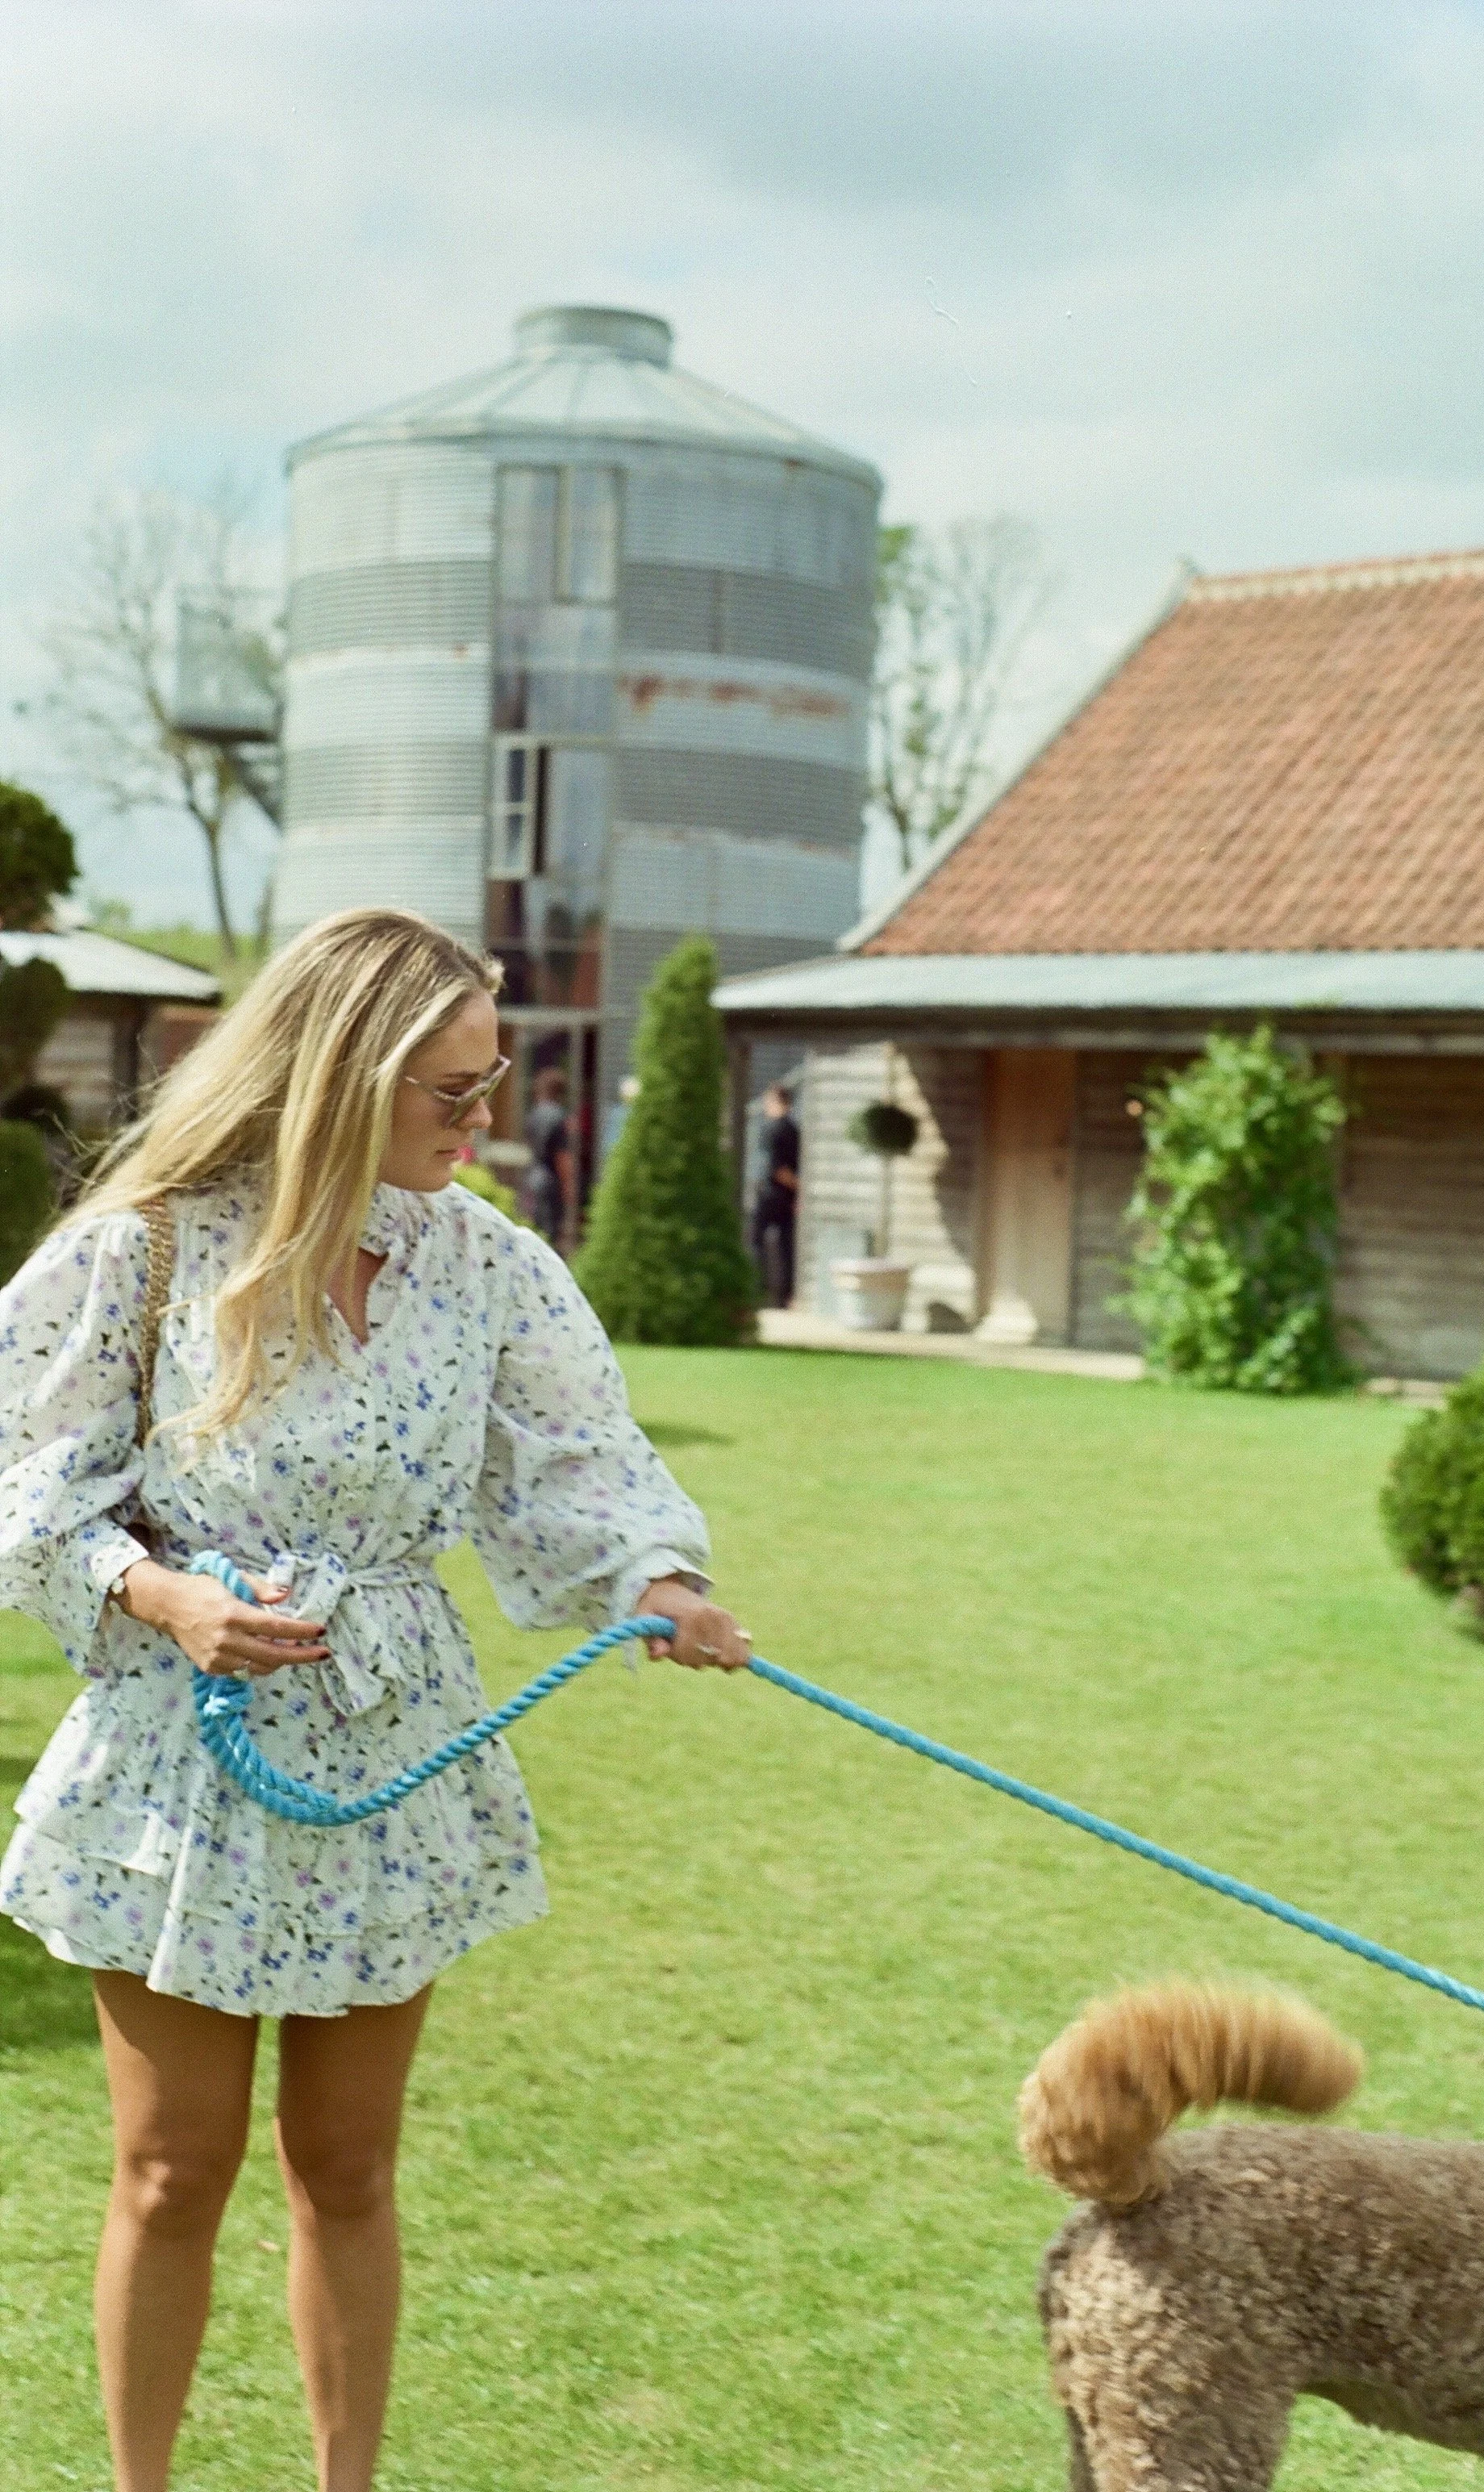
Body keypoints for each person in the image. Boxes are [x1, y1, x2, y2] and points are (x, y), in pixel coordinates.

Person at [0, 908, 751, 2492]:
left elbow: (577, 1466)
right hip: (177, 1766)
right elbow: (27, 1487)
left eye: (490, 1086)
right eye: (454, 1092)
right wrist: (163, 1594)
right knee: (165, 2168)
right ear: (336, 1075)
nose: (487, 1124)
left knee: (346, 2164)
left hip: (391, 1752)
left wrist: (658, 1584)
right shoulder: (140, 1250)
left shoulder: (489, 1265)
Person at [751, 1081, 800, 1308]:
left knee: (756, 1241)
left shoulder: (773, 1129)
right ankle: (784, 1296)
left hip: (770, 1194)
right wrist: (798, 1190)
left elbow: (777, 1167)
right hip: (788, 1197)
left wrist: (794, 1185)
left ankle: (758, 1290)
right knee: (786, 1247)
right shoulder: (794, 1129)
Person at [523, 1062, 574, 1249]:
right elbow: (562, 1156)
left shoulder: (533, 1115)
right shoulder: (560, 1117)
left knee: (533, 1228)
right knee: (550, 1235)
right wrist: (569, 1187)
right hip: (551, 1182)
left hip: (532, 1178)